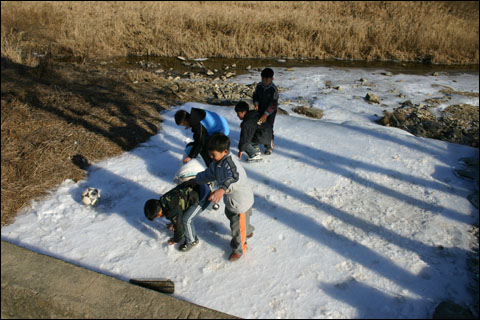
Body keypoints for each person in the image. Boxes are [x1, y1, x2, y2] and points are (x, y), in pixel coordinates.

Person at [187, 133, 255, 262]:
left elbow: (234, 178)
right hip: (233, 201)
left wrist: (222, 190)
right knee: (234, 218)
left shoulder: (230, 164)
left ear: (225, 151)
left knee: (237, 229)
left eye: (214, 155)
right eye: (210, 155)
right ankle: (248, 230)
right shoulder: (216, 162)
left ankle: (239, 249)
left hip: (240, 202)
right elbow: (209, 174)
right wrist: (197, 180)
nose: (211, 158)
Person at [144, 180, 211, 252]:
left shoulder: (171, 210)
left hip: (202, 199)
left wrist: (176, 239)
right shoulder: (165, 199)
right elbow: (178, 209)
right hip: (194, 191)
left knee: (186, 220)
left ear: (159, 213)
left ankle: (192, 241)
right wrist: (174, 222)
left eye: (157, 216)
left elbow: (180, 229)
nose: (159, 217)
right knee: (181, 217)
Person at [252, 67, 279, 155]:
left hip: (270, 113)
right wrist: (256, 103)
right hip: (260, 110)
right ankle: (256, 142)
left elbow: (273, 104)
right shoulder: (259, 86)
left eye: (267, 80)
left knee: (268, 128)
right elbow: (255, 96)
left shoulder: (273, 90)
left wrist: (266, 114)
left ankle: (269, 146)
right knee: (258, 125)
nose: (265, 81)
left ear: (272, 79)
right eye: (263, 79)